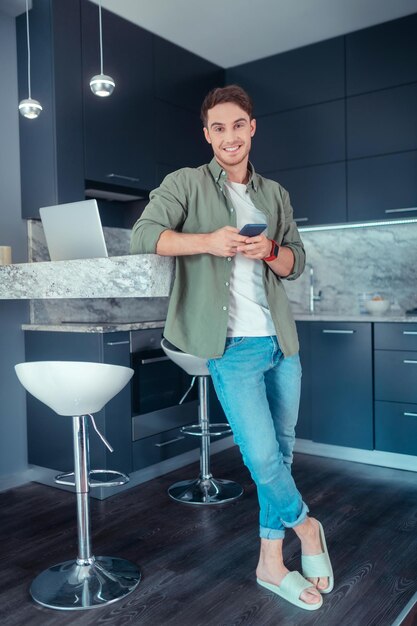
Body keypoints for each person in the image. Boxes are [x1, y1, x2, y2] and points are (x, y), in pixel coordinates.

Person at [130, 84, 333, 611]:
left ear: (251, 128)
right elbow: (143, 235)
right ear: (207, 135)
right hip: (233, 348)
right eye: (217, 128)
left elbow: (296, 263)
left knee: (281, 453)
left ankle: (270, 563)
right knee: (262, 456)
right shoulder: (185, 184)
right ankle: (308, 528)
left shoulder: (274, 194)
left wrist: (269, 250)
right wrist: (206, 241)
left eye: (237, 125)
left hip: (280, 342)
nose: (229, 136)